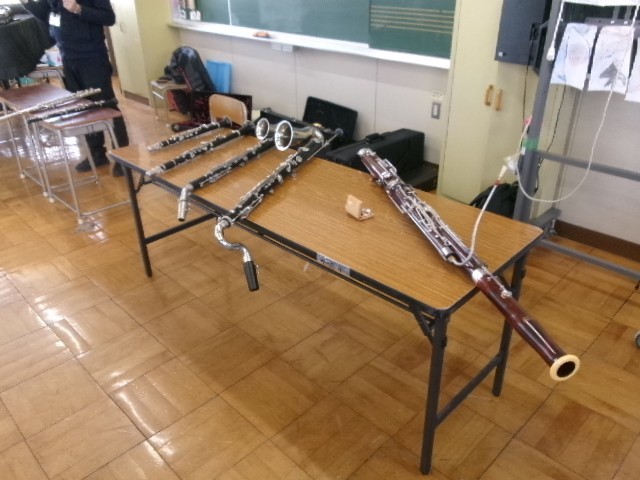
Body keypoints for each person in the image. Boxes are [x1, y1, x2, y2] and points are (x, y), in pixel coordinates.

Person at [20, 0, 128, 177]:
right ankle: (97, 154)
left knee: (106, 105)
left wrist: (78, 9)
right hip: (68, 57)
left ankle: (123, 158)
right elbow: (47, 15)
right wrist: (27, 3)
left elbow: (109, 18)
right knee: (83, 107)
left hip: (92, 57)